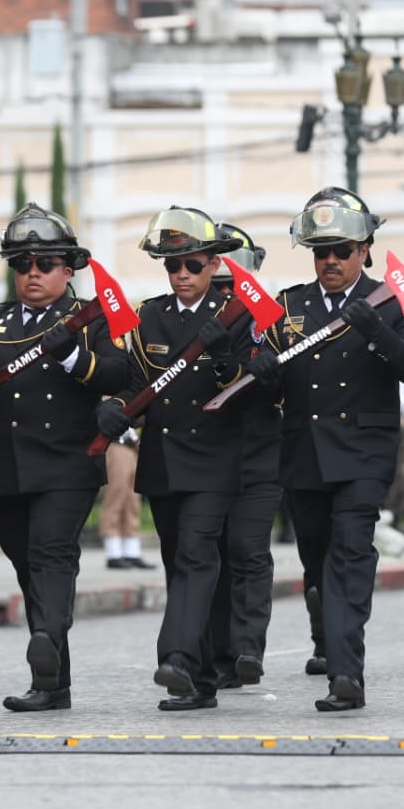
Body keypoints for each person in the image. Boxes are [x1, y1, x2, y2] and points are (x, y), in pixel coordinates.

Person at [0, 203, 129, 713]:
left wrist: (72, 357)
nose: (34, 272)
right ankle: (53, 681)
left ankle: (44, 639)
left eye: (45, 262)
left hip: (69, 463)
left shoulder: (90, 320)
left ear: (69, 268)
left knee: (51, 555)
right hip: (6, 468)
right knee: (29, 567)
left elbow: (122, 376)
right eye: (23, 263)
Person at [246, 187, 404, 711]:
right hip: (305, 454)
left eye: (342, 251)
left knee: (351, 558)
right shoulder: (290, 306)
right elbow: (273, 384)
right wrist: (260, 374)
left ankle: (347, 674)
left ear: (365, 250)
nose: (330, 260)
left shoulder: (388, 302)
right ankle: (329, 644)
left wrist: (379, 334)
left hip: (364, 455)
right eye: (321, 251)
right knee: (319, 560)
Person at [96, 205, 251, 712]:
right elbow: (138, 383)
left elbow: (253, 386)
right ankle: (202, 680)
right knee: (175, 561)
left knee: (195, 555)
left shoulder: (236, 314)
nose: (181, 274)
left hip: (214, 459)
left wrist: (229, 357)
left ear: (213, 266)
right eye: (172, 265)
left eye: (192, 264)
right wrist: (116, 408)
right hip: (163, 459)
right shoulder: (151, 316)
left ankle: (178, 659)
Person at [207, 222, 278, 687]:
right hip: (207, 454)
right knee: (211, 555)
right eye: (219, 286)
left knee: (249, 550)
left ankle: (249, 647)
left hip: (259, 450)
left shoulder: (271, 322)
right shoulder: (187, 322)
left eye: (234, 287)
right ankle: (219, 653)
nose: (226, 296)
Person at [99, 427, 150, 569]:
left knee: (132, 501)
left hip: (130, 447)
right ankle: (113, 554)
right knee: (115, 498)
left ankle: (131, 552)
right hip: (115, 444)